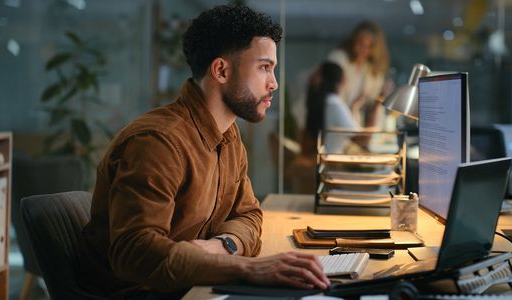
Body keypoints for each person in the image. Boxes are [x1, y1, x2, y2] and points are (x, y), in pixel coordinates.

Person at [77, 5, 330, 299]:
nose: (273, 83)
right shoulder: (158, 142)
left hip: (196, 285)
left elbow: (249, 215)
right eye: (264, 67)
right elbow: (134, 253)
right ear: (221, 70)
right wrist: (247, 269)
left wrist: (224, 246)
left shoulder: (228, 134)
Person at [327, 21, 394, 128]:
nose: (363, 49)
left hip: (354, 125)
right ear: (353, 41)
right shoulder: (339, 60)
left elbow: (374, 102)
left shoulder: (371, 70)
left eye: (369, 46)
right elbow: (332, 101)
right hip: (336, 125)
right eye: (360, 43)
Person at [303, 62, 360, 154]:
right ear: (341, 81)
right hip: (333, 159)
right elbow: (358, 137)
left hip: (322, 157)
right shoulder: (334, 104)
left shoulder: (321, 101)